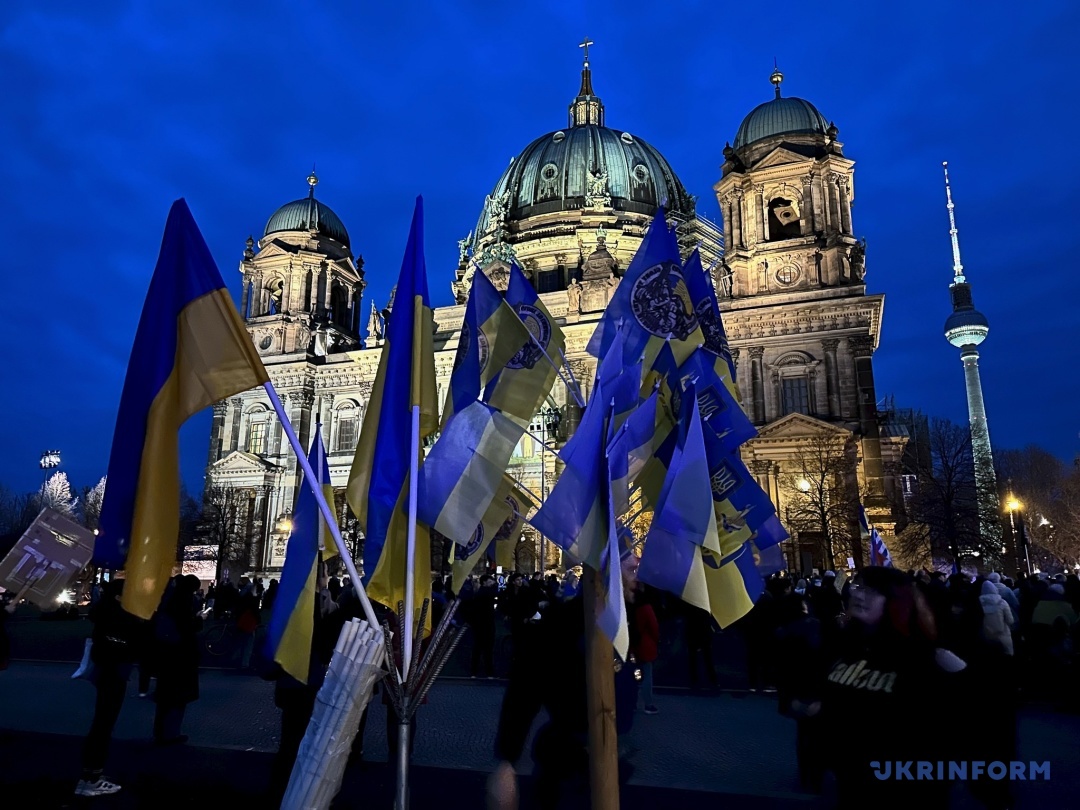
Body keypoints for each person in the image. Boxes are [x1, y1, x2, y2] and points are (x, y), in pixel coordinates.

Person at [816, 567, 966, 809]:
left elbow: (953, 728)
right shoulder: (843, 646)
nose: (859, 594)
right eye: (857, 586)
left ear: (896, 600)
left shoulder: (925, 657)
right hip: (849, 786)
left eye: (872, 590)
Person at [75, 579, 146, 798]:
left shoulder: (106, 614)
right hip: (113, 673)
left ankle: (90, 774)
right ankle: (91, 779)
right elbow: (132, 645)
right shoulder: (119, 617)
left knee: (102, 723)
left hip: (107, 672)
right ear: (118, 596)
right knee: (104, 725)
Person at [152, 575, 203, 745]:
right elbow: (187, 627)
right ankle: (171, 734)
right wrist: (199, 619)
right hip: (181, 655)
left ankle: (161, 732)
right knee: (178, 697)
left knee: (166, 697)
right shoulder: (184, 602)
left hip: (167, 652)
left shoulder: (169, 600)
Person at [630, 583, 660, 715]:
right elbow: (654, 626)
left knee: (633, 674)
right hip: (645, 644)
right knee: (647, 675)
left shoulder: (628, 605)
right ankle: (648, 704)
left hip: (631, 644)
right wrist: (656, 640)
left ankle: (632, 702)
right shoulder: (645, 606)